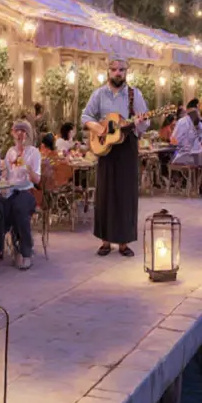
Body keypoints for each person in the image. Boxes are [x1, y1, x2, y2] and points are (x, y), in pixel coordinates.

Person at [81, 55, 147, 257]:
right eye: (115, 69)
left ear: (127, 72)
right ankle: (105, 241)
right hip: (105, 150)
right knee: (105, 195)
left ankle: (124, 242)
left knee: (126, 195)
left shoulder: (134, 95)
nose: (118, 73)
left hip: (127, 148)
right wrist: (99, 129)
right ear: (108, 72)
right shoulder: (99, 94)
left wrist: (139, 122)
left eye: (122, 70)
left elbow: (145, 124)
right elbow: (85, 116)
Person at [0, 120, 41, 270]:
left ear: (28, 134)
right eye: (17, 130)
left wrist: (27, 167)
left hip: (27, 191)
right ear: (13, 133)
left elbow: (37, 179)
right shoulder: (10, 152)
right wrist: (2, 172)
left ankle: (26, 252)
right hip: (11, 190)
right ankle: (0, 247)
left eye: (24, 131)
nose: (20, 133)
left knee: (19, 207)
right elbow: (7, 176)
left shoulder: (34, 152)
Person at [170, 100, 202, 196]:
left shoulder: (198, 125)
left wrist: (199, 144)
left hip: (191, 156)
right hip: (184, 156)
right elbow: (174, 139)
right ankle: (201, 184)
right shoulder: (183, 123)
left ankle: (199, 185)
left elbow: (173, 140)